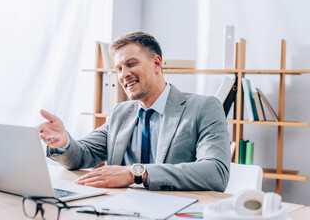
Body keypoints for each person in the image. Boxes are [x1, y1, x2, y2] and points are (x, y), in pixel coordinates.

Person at [38, 31, 230, 191]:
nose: (123, 75)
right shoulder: (121, 113)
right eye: (119, 69)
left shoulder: (204, 107)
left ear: (156, 63)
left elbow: (215, 172)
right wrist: (63, 142)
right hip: (119, 208)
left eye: (131, 64)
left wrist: (135, 173)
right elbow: (82, 155)